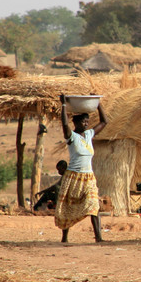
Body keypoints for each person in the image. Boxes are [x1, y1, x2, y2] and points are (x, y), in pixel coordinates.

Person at [54, 94, 107, 243]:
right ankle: (64, 237)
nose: (85, 124)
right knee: (68, 207)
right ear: (76, 123)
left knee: (93, 204)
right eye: (83, 121)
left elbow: (104, 121)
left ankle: (98, 237)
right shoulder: (71, 137)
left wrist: (98, 103)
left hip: (88, 177)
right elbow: (64, 124)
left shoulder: (89, 135)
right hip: (73, 177)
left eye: (87, 121)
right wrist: (64, 105)